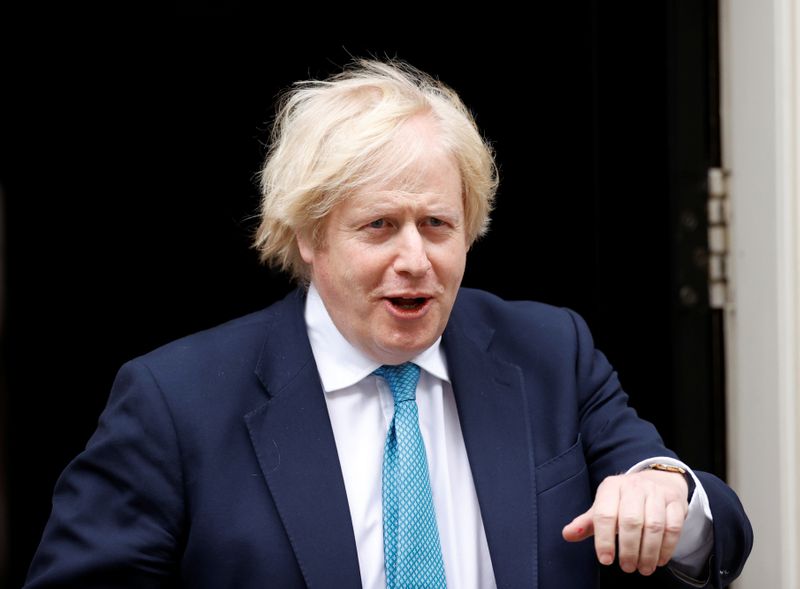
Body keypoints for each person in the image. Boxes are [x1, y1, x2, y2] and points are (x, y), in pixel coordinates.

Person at [24, 59, 752, 589]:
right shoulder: (174, 400)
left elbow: (719, 532)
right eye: (379, 225)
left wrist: (669, 492)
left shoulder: (549, 353)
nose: (415, 258)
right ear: (308, 236)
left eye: (437, 223)